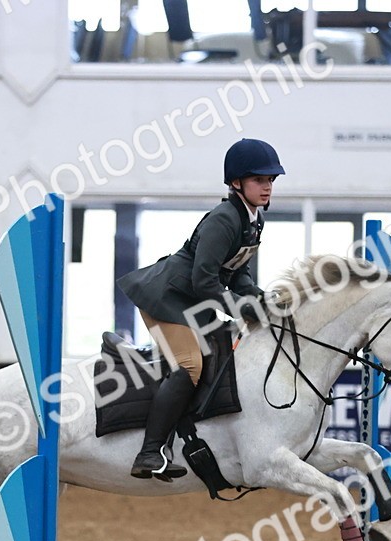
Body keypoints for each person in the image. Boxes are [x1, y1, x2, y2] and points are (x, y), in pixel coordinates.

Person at [115, 138, 282, 480]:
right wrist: (241, 309)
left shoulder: (253, 219)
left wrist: (263, 300)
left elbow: (239, 275)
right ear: (237, 183)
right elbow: (205, 282)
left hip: (193, 302)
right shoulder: (223, 219)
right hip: (168, 298)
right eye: (259, 180)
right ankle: (148, 453)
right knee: (190, 365)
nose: (267, 187)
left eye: (270, 181)